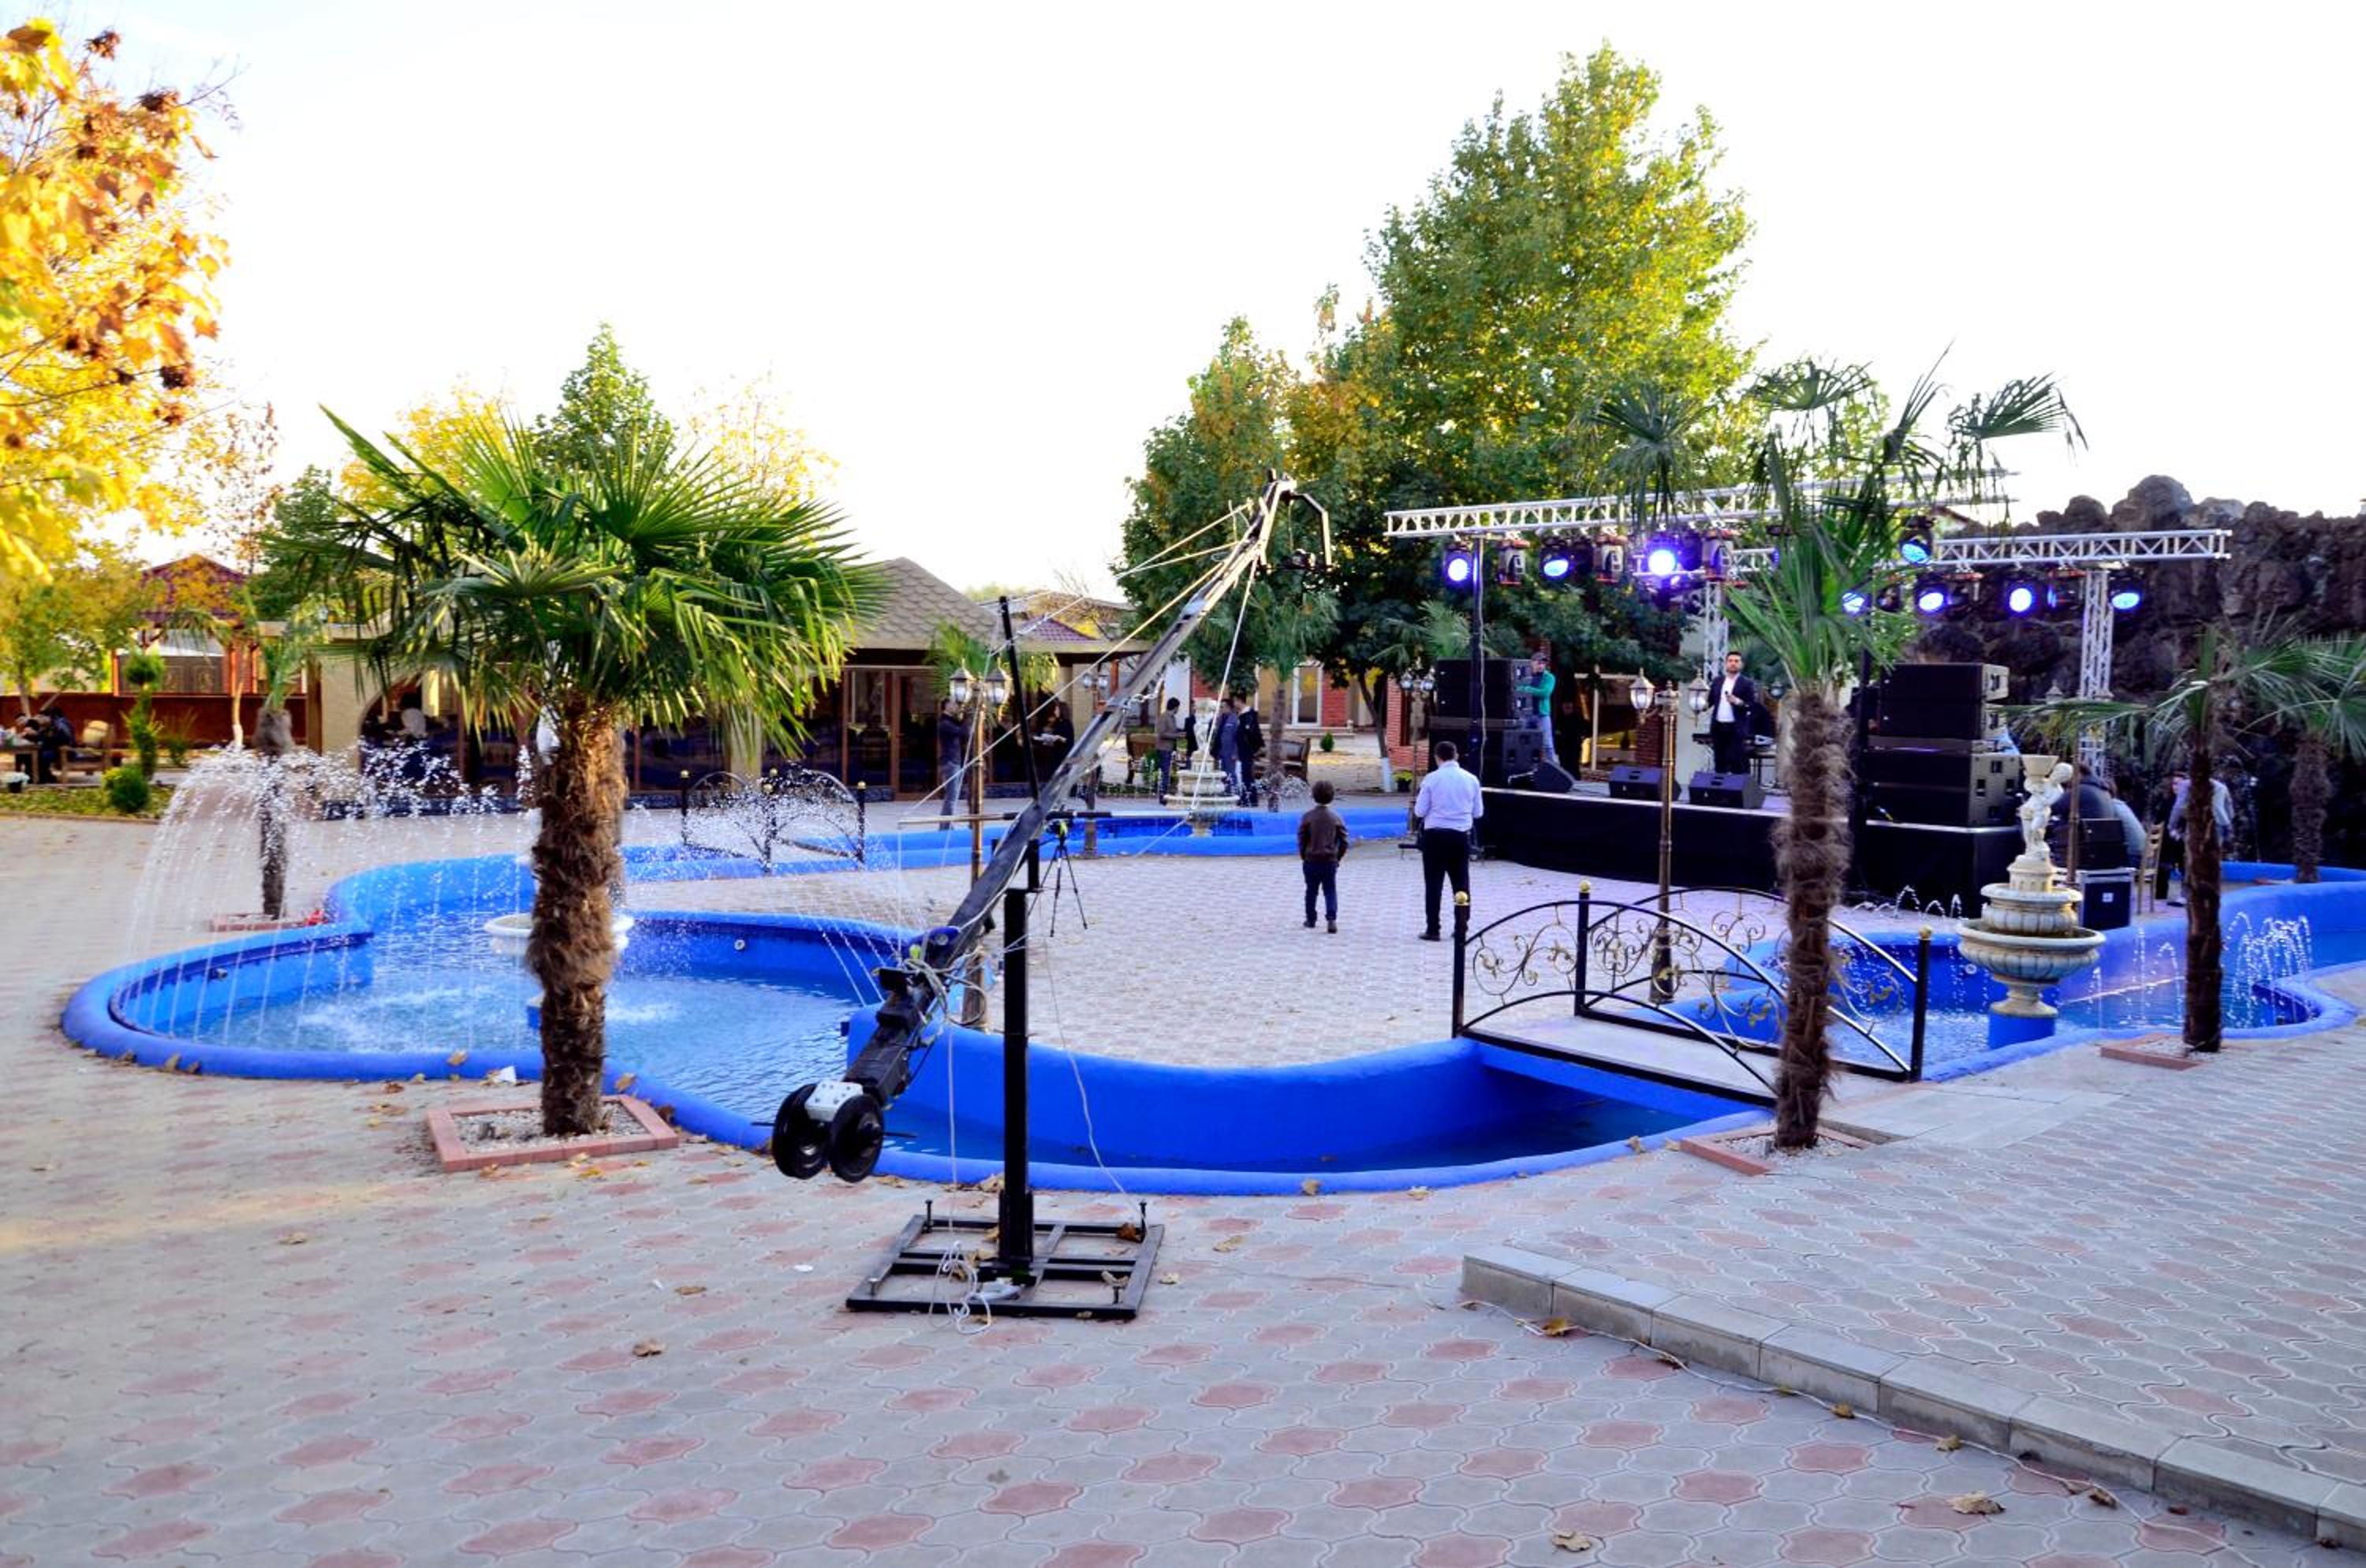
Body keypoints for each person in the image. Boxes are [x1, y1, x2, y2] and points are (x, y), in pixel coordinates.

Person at [1413, 740, 1483, 940]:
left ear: (1437, 758)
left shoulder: (1431, 779)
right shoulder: (1471, 779)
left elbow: (1419, 811)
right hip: (1460, 837)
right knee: (1461, 883)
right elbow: (1478, 812)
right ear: (1456, 756)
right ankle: (1461, 927)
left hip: (1435, 837)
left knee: (1433, 885)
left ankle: (1433, 929)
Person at [2164, 767, 2234, 905]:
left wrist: (2171, 826)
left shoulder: (2187, 784)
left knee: (2192, 860)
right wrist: (2227, 826)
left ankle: (2185, 896)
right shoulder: (2221, 787)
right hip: (2219, 826)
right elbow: (2230, 810)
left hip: (2199, 825)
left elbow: (2178, 807)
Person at [1297, 778, 1350, 933]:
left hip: (1311, 860)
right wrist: (1338, 857)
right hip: (1330, 860)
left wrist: (1304, 855)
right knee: (1330, 890)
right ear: (1332, 796)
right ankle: (1331, 919)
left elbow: (1302, 839)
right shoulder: (1335, 817)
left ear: (1313, 796)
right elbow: (1344, 841)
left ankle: (1311, 919)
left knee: (1311, 890)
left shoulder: (1307, 816)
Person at [1704, 651, 1759, 778]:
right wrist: (1698, 705)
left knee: (1735, 758)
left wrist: (1737, 701)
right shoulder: (1718, 681)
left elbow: (1752, 705)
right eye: (1730, 661)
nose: (1733, 664)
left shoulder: (1747, 683)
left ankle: (1738, 785)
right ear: (1726, 663)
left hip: (1736, 727)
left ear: (1741, 664)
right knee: (1719, 759)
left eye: (1736, 661)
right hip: (1718, 726)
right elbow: (1710, 701)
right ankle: (1720, 785)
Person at [1513, 651, 1558, 765]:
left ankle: (1553, 767)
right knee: (1520, 741)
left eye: (1543, 663)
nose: (1541, 665)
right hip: (1525, 714)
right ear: (1532, 663)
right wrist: (1528, 690)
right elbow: (1517, 689)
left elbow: (1545, 693)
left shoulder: (1549, 677)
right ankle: (1522, 765)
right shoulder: (1524, 675)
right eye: (1538, 663)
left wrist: (1527, 690)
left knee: (1547, 744)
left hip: (1542, 715)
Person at [935, 700, 967, 819]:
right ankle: (946, 825)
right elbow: (963, 732)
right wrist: (965, 718)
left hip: (953, 761)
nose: (956, 707)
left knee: (952, 796)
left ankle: (947, 824)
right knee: (951, 797)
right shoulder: (945, 723)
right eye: (954, 705)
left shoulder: (950, 722)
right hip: (950, 762)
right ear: (947, 706)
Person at [1153, 696, 1184, 805]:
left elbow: (1173, 729)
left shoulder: (1172, 718)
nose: (1178, 709)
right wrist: (1177, 736)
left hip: (1170, 749)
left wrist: (1181, 731)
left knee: (1167, 773)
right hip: (1163, 749)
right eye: (1178, 707)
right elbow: (1162, 733)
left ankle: (1165, 794)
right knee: (1165, 773)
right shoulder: (1164, 717)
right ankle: (1163, 796)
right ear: (1175, 707)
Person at [1211, 696, 1241, 802]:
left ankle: (1235, 794)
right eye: (1221, 707)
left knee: (1231, 773)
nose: (1221, 709)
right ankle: (1226, 793)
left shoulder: (1235, 719)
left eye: (1223, 707)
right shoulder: (1221, 719)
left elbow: (1237, 738)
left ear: (1229, 707)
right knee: (1223, 773)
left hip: (1230, 752)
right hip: (1221, 751)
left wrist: (1235, 753)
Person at [1234, 701, 1263, 805]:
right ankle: (1247, 798)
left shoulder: (1248, 715)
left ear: (1239, 701)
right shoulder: (1242, 715)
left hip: (1247, 750)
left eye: (1235, 701)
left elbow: (1253, 733)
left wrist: (1255, 748)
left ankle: (1250, 799)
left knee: (1247, 774)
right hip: (1243, 749)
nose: (1234, 704)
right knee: (1245, 774)